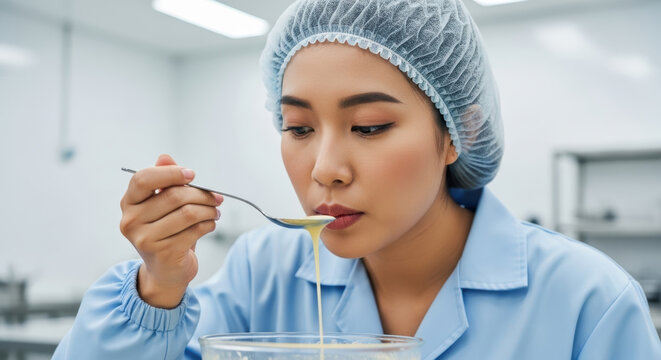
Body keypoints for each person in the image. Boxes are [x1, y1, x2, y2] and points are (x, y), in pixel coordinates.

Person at [53, 0, 661, 359]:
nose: (324, 169)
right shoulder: (260, 276)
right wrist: (158, 286)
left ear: (456, 133)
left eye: (369, 126)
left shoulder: (587, 305)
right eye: (297, 128)